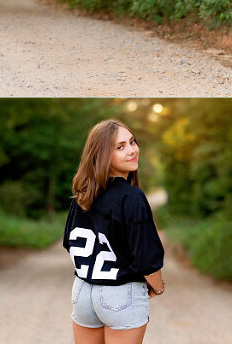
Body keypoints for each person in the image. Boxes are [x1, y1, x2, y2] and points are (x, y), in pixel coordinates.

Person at [63, 119, 165, 344]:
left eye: (132, 142)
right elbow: (147, 259)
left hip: (82, 292)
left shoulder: (83, 195)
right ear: (101, 155)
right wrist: (158, 288)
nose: (131, 150)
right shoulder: (132, 197)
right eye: (120, 147)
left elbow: (69, 243)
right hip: (120, 294)